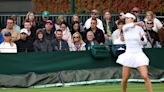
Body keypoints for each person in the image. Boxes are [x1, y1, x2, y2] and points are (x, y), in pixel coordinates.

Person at [116, 13, 153, 92]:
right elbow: (129, 26)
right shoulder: (125, 27)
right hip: (129, 54)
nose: (126, 20)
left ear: (132, 19)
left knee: (145, 76)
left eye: (127, 18)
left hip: (139, 53)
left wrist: (142, 38)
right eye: (125, 19)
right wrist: (138, 23)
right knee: (125, 79)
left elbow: (144, 42)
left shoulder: (139, 29)